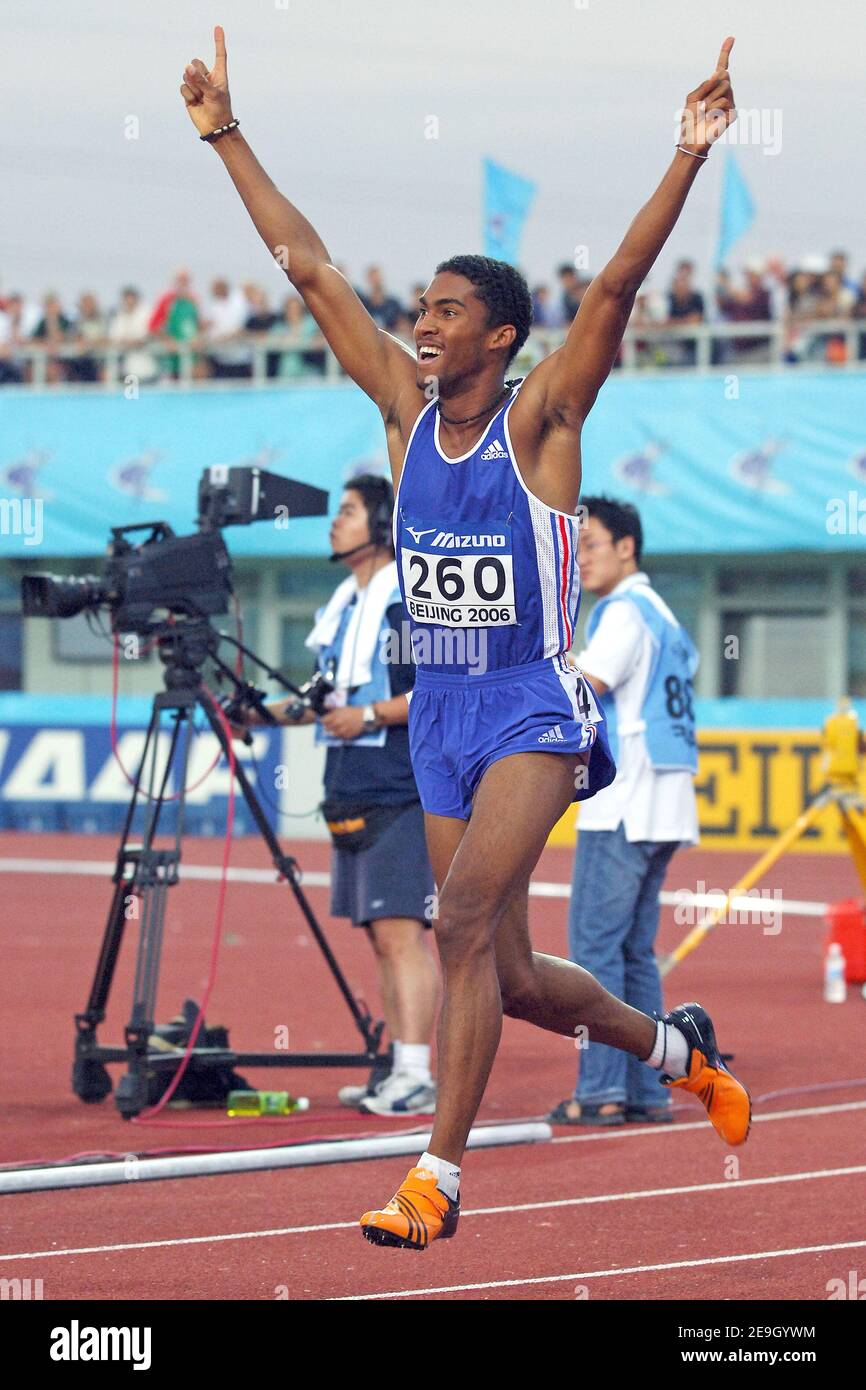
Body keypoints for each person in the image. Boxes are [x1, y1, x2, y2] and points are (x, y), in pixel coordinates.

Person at [181, 27, 751, 1250]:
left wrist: (685, 155)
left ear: (499, 337)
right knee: (515, 969)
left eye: (446, 312)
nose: (422, 324)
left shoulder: (541, 422)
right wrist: (226, 134)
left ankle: (436, 1172)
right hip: (436, 713)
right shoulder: (400, 411)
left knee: (455, 924)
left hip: (530, 704)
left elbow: (611, 294)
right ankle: (671, 1045)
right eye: (422, 310)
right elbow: (313, 276)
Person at [234, 476, 439, 1116]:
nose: (333, 523)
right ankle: (397, 1068)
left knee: (403, 934)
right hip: (351, 789)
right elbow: (321, 703)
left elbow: (439, 691)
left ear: (381, 525)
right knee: (381, 934)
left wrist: (371, 716)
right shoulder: (345, 607)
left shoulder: (408, 603)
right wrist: (253, 715)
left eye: (348, 512)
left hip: (401, 789)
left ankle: (417, 1072)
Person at [548, 497, 699, 1128]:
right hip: (665, 803)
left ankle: (603, 1088)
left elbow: (585, 683)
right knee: (636, 953)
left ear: (626, 548)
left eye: (591, 546)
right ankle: (648, 1088)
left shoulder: (624, 612)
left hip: (625, 806)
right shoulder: (663, 613)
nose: (580, 559)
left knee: (593, 954)